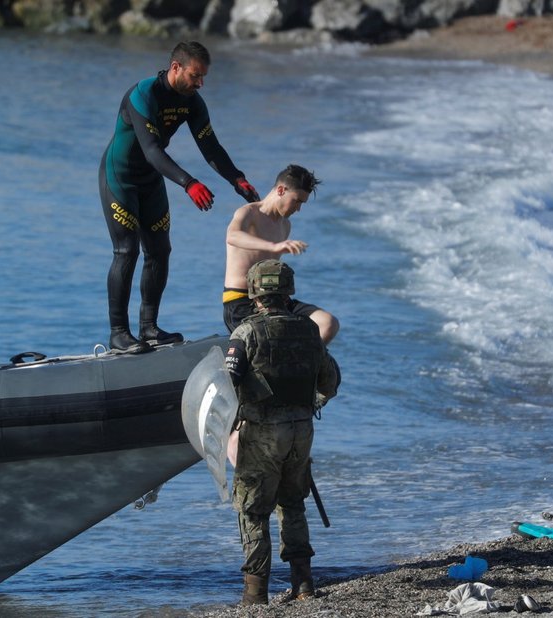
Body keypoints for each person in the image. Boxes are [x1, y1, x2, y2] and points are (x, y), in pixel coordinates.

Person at [99, 40, 260, 354]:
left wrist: (236, 178)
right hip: (120, 177)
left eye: (203, 78)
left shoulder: (192, 102)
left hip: (151, 180)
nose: (200, 83)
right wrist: (189, 183)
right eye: (195, 76)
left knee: (160, 250)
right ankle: (119, 333)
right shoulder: (142, 95)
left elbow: (210, 147)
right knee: (126, 251)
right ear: (176, 68)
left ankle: (148, 328)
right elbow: (151, 150)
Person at [223, 259, 340, 605]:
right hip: (301, 430)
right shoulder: (308, 330)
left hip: (261, 431)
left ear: (255, 295)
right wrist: (307, 407)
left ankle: (255, 593)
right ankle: (303, 585)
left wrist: (234, 425)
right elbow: (329, 382)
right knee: (292, 503)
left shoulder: (245, 333)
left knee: (253, 509)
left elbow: (227, 384)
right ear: (288, 292)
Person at [223, 164, 339, 344]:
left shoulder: (285, 225)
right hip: (242, 302)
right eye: (297, 201)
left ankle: (306, 366)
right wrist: (273, 246)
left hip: (276, 301)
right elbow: (232, 236)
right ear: (281, 190)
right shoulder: (250, 213)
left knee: (328, 323)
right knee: (279, 341)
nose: (298, 209)